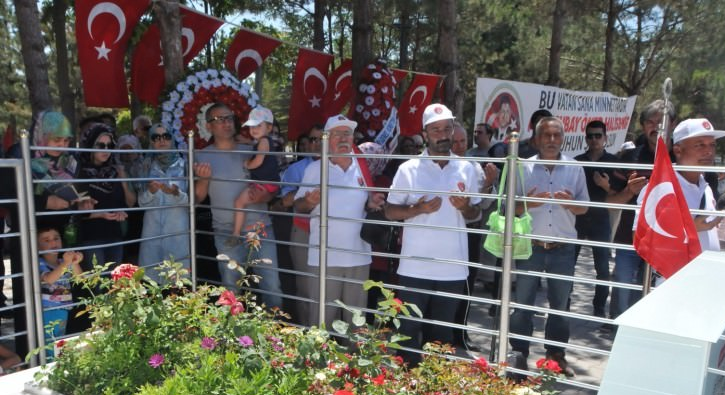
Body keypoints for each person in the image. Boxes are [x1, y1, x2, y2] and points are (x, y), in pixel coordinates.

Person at [384, 103, 489, 366]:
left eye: (446, 128)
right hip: (414, 267)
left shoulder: (467, 167)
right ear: (425, 133)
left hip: (452, 269)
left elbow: (476, 216)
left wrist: (466, 208)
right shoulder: (408, 168)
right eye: (436, 130)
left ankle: (435, 383)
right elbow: (389, 212)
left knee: (441, 338)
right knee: (407, 334)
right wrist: (416, 208)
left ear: (453, 131)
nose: (442, 135)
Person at [509, 116, 589, 378]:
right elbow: (510, 208)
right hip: (530, 246)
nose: (552, 140)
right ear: (537, 138)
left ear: (562, 138)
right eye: (547, 135)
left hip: (563, 248)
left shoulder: (575, 168)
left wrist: (570, 203)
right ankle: (518, 355)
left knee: (560, 306)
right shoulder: (523, 167)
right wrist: (527, 204)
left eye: (556, 135)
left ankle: (555, 357)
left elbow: (585, 207)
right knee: (523, 304)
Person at [294, 115, 385, 327]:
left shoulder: (362, 167)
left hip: (359, 257)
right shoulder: (314, 169)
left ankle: (354, 359)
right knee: (321, 321)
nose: (344, 138)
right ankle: (319, 361)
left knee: (356, 322)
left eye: (348, 133)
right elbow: (298, 207)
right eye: (338, 133)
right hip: (325, 257)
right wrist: (308, 201)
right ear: (327, 139)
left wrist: (372, 203)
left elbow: (365, 201)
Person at [194, 102, 282, 308]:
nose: (226, 123)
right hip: (226, 233)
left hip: (261, 230)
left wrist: (266, 197)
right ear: (208, 126)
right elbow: (197, 199)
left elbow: (274, 186)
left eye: (229, 118)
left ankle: (278, 337)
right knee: (231, 291)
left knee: (272, 288)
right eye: (219, 119)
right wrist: (204, 180)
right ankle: (231, 337)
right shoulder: (201, 156)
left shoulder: (253, 149)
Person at [607, 100, 675, 319]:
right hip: (630, 239)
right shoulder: (629, 157)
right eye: (650, 122)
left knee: (656, 294)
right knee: (623, 287)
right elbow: (610, 202)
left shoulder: (681, 157)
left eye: (662, 121)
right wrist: (629, 192)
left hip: (667, 241)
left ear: (673, 124)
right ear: (643, 125)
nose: (656, 126)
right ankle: (618, 331)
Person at [634, 118, 724, 262]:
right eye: (700, 145)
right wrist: (689, 229)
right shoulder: (661, 188)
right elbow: (641, 239)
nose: (709, 151)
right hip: (674, 280)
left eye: (712, 144)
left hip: (705, 277)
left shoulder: (706, 187)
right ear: (678, 150)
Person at [451, 121, 497, 351]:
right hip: (444, 234)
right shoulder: (436, 163)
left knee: (467, 284)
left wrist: (488, 184)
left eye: (463, 141)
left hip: (470, 232)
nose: (459, 146)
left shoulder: (473, 166)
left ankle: (460, 332)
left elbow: (486, 203)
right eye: (454, 141)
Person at [574, 120, 619, 318]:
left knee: (602, 267)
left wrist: (605, 186)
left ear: (605, 138)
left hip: (601, 219)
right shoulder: (577, 161)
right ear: (586, 138)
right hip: (578, 218)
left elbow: (620, 192)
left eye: (598, 135)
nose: (594, 139)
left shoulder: (614, 162)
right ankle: (563, 302)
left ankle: (599, 306)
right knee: (568, 262)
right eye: (590, 136)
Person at [279, 124, 322, 325]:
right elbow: (286, 200)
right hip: (304, 231)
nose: (316, 144)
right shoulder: (296, 169)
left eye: (321, 139)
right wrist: (306, 197)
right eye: (313, 140)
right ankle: (306, 333)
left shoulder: (341, 167)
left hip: (332, 233)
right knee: (305, 286)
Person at [76, 123, 135, 272]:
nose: (106, 150)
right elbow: (78, 210)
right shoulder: (79, 172)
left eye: (109, 146)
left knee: (113, 285)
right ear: (90, 145)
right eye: (101, 145)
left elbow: (130, 202)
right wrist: (101, 214)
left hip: (115, 235)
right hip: (91, 237)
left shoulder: (116, 171)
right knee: (96, 286)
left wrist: (123, 179)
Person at [137, 124, 190, 282]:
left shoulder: (185, 165)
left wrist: (175, 194)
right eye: (156, 137)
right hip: (151, 234)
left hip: (178, 234)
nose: (162, 141)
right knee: (150, 284)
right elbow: (141, 203)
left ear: (172, 139)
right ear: (151, 142)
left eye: (166, 136)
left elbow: (193, 202)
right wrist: (151, 192)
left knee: (179, 284)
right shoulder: (145, 167)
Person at [229, 106, 280, 242]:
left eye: (258, 125)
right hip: (269, 182)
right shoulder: (264, 141)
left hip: (264, 183)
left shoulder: (263, 142)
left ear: (269, 128)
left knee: (239, 202)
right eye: (252, 126)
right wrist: (247, 141)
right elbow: (257, 146)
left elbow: (258, 161)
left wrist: (247, 164)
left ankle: (236, 233)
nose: (254, 129)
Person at [38, 226, 83, 343]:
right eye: (47, 240)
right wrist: (67, 263)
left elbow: (80, 278)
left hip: (63, 308)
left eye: (56, 238)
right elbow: (48, 279)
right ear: (37, 246)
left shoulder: (63, 262)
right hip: (47, 310)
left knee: (59, 339)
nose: (53, 242)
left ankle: (56, 360)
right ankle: (49, 361)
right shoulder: (39, 263)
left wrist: (74, 262)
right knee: (49, 341)